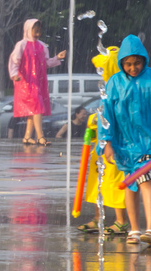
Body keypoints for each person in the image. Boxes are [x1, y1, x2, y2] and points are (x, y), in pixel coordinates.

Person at [99, 36, 151, 247]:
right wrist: (106, 142)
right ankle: (134, 229)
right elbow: (105, 114)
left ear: (144, 60)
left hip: (150, 143)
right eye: (129, 64)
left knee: (147, 181)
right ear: (122, 63)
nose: (133, 68)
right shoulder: (114, 83)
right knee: (130, 186)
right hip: (124, 144)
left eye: (137, 63)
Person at [76, 47, 129, 235]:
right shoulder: (108, 87)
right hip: (101, 146)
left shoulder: (121, 88)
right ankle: (98, 218)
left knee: (115, 184)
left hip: (115, 146)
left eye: (103, 69)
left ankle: (121, 221)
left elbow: (116, 117)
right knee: (99, 182)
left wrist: (98, 123)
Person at [8, 18, 66, 146]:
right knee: (37, 108)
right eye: (35, 31)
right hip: (25, 82)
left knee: (33, 110)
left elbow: (45, 63)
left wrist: (57, 58)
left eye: (39, 31)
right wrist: (14, 75)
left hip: (38, 82)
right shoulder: (21, 45)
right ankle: (40, 136)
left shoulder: (42, 46)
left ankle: (27, 136)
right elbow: (14, 61)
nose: (37, 34)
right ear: (28, 30)